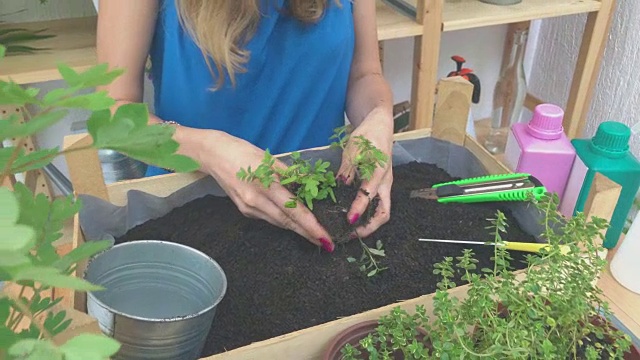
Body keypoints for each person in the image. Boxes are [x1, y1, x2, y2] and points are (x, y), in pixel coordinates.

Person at [96, 0, 395, 254]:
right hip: (193, 219)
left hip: (316, 210)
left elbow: (364, 74)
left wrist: (378, 116)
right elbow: (112, 116)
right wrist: (208, 151)